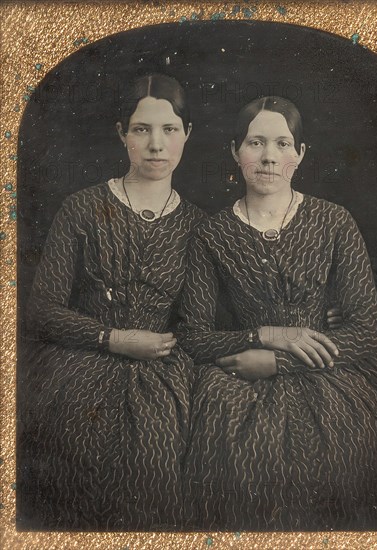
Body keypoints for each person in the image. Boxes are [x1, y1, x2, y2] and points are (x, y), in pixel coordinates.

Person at [178, 96, 377, 531]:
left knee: (353, 456)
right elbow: (195, 335)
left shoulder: (334, 221)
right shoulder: (212, 234)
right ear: (236, 152)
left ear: (300, 154)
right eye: (256, 142)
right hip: (241, 380)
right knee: (241, 467)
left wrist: (280, 360)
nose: (269, 156)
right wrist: (262, 336)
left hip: (334, 374)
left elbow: (365, 328)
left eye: (282, 143)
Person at [19, 73, 205, 530]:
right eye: (142, 130)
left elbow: (209, 318)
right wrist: (112, 338)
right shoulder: (81, 208)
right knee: (74, 448)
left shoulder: (200, 225)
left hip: (165, 371)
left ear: (187, 135)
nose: (156, 145)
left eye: (169, 130)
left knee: (161, 456)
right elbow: (40, 310)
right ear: (122, 134)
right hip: (77, 362)